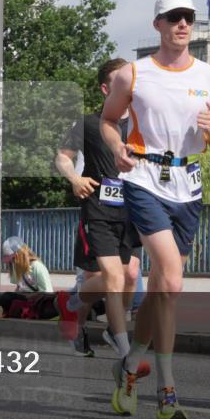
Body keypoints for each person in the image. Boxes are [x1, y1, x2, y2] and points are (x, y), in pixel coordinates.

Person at [101, 0, 210, 419]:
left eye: (189, 18)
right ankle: (167, 391)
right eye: (174, 17)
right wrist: (119, 146)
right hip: (144, 179)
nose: (183, 24)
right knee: (171, 280)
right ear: (157, 23)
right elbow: (107, 121)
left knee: (161, 290)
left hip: (188, 185)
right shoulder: (131, 75)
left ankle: (131, 367)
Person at [55, 58, 141, 357]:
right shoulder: (89, 123)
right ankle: (81, 322)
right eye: (120, 81)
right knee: (101, 277)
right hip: (98, 208)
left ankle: (111, 322)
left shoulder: (140, 124)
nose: (127, 87)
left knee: (130, 273)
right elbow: (62, 157)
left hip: (130, 210)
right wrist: (74, 179)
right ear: (107, 88)